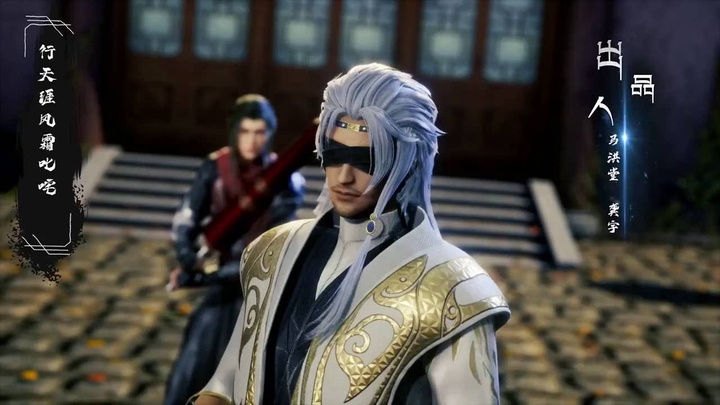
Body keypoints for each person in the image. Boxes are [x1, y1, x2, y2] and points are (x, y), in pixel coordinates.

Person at [189, 64, 510, 405]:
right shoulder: (274, 250)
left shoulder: (453, 288)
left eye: (365, 160)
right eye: (335, 155)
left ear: (406, 162)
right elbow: (227, 381)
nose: (343, 176)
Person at [164, 94, 305, 405]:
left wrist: (201, 277)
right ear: (234, 131)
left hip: (259, 286)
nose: (252, 141)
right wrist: (187, 257)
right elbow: (187, 217)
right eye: (245, 131)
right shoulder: (215, 168)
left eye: (260, 132)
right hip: (220, 287)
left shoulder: (285, 179)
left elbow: (272, 249)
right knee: (195, 362)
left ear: (269, 133)